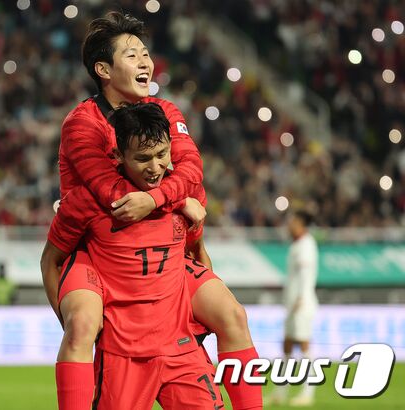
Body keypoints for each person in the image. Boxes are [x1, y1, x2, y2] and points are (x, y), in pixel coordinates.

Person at [48, 11, 262, 410]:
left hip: (163, 246)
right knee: (81, 325)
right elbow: (112, 194)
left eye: (146, 53)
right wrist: (179, 199)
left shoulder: (165, 111)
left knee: (232, 315)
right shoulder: (83, 124)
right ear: (103, 69)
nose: (146, 62)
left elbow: (192, 169)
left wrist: (163, 198)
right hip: (100, 250)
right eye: (131, 55)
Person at [42, 102, 223, 409]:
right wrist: (67, 321)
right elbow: (51, 261)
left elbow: (198, 255)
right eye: (142, 158)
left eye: (162, 154)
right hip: (123, 357)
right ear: (118, 156)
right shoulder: (89, 201)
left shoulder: (187, 197)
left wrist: (197, 328)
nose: (155, 167)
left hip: (181, 352)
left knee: (234, 315)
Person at [268, 210, 319, 407]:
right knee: (287, 346)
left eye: (293, 222)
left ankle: (308, 392)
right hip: (293, 304)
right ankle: (280, 392)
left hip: (302, 304)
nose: (290, 226)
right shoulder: (297, 245)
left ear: (301, 224)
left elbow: (306, 276)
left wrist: (301, 299)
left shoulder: (306, 246)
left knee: (304, 346)